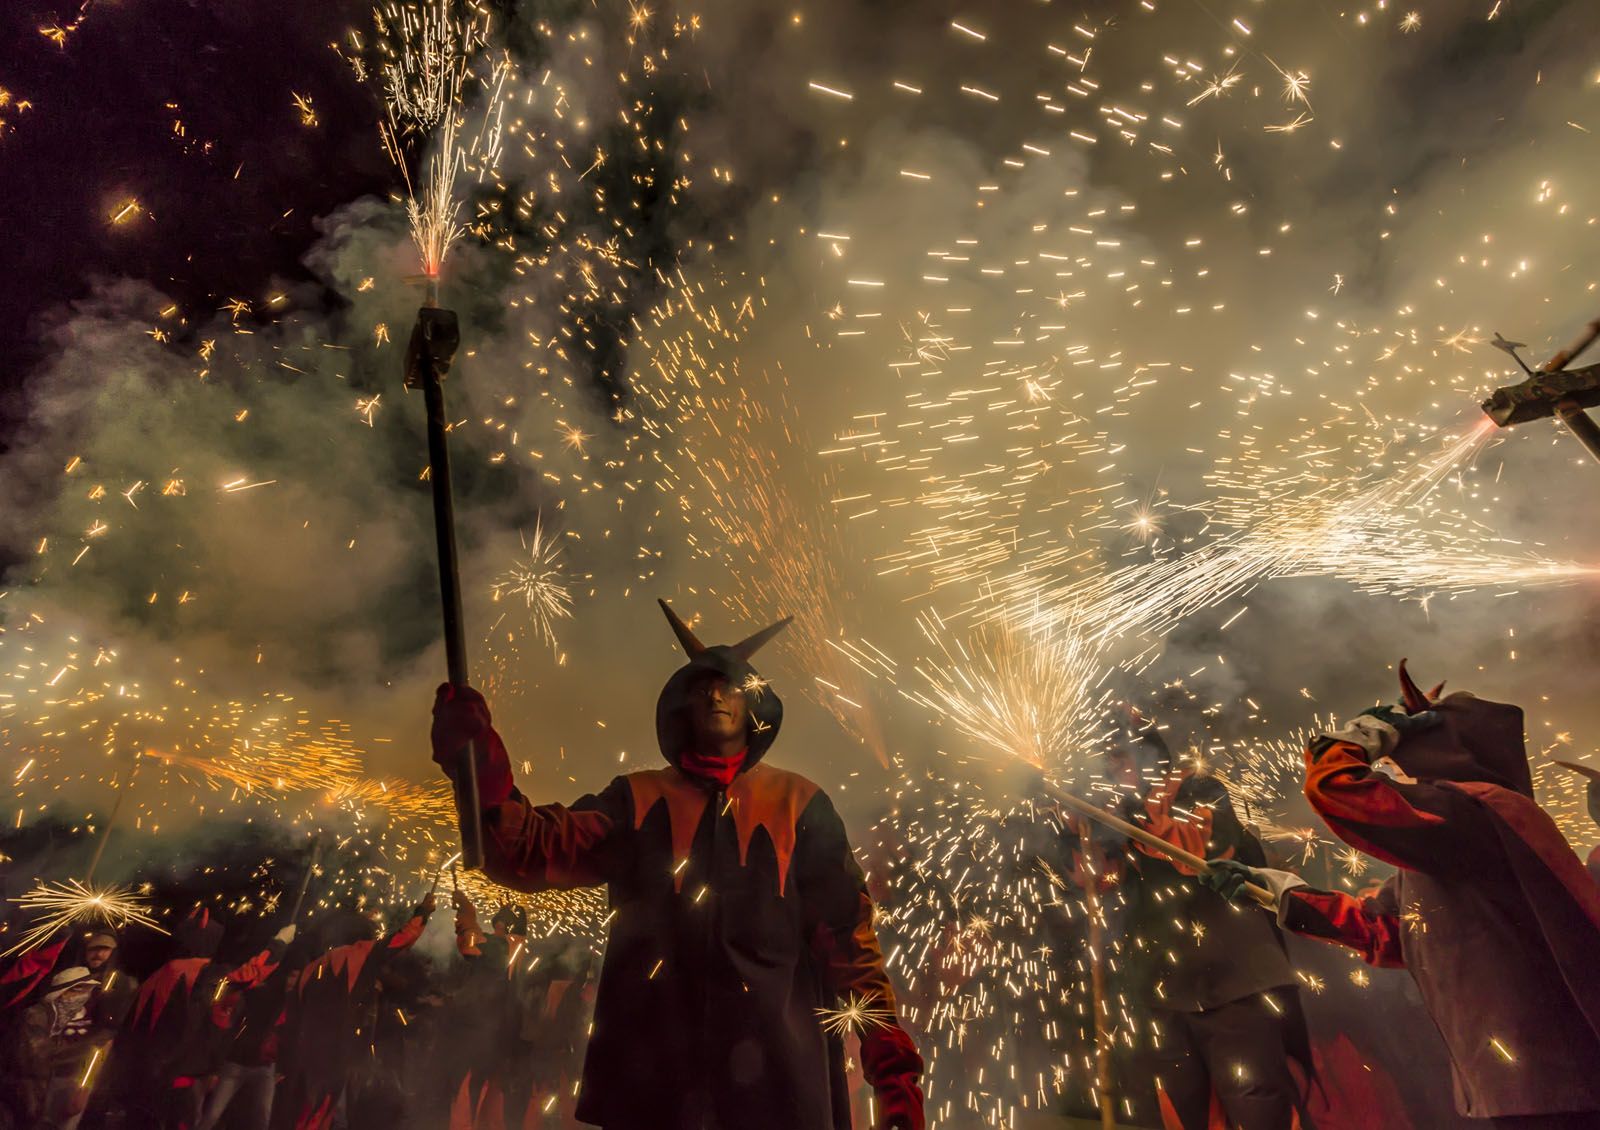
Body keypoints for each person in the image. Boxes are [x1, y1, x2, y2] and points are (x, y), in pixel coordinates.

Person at [429, 600, 924, 1130]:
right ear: (682, 706)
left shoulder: (800, 805)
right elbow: (529, 850)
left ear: (753, 705)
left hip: (777, 1092)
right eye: (701, 685)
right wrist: (478, 759)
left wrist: (892, 1069)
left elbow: (849, 942)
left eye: (730, 685)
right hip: (657, 1092)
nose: (714, 693)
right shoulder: (636, 800)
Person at [1205, 661, 1600, 1128]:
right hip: (1524, 1081)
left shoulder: (1482, 810)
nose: (1394, 758)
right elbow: (1389, 932)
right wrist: (1278, 892)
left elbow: (1335, 791)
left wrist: (1348, 743)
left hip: (1556, 1077)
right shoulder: (1455, 831)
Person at [1072, 716, 1312, 1130]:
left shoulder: (1198, 788)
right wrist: (1075, 830)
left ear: (1150, 757)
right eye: (1106, 763)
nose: (1112, 771)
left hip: (1237, 983)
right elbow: (1098, 879)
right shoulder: (1117, 816)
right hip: (1163, 989)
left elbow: (1197, 852)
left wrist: (1114, 821)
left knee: (1260, 1109)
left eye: (1119, 759)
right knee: (1181, 1117)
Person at [116, 906, 292, 1130]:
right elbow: (251, 973)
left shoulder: (157, 975)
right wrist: (279, 944)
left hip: (138, 1079)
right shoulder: (202, 975)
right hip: (178, 1082)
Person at [276, 894, 435, 1130]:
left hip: (304, 1052)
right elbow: (404, 938)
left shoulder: (315, 965)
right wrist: (423, 911)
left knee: (301, 1111)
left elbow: (293, 1011)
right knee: (318, 1114)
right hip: (334, 1054)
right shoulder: (360, 954)